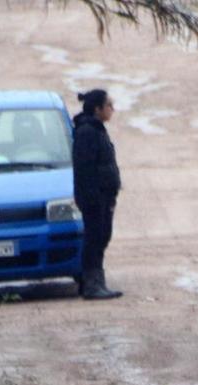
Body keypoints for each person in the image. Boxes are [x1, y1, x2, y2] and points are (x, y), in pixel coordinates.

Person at [72, 89, 123, 300]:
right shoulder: (87, 132)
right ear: (98, 109)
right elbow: (86, 170)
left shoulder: (97, 129)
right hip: (94, 198)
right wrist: (95, 198)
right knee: (94, 239)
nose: (112, 109)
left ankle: (96, 281)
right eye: (109, 105)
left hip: (103, 197)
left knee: (101, 237)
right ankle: (91, 284)